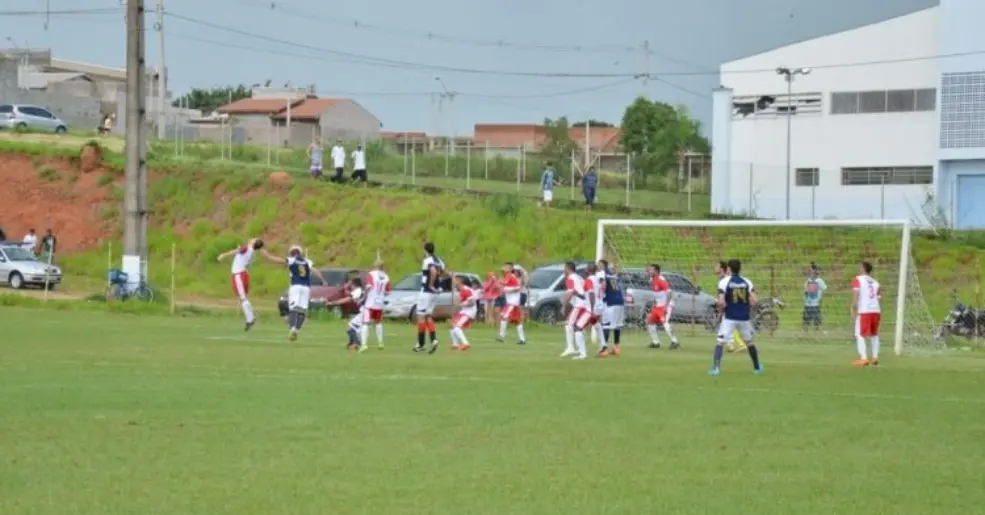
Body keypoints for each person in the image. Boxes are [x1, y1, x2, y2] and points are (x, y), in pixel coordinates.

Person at [258, 245, 327, 341]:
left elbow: (279, 261)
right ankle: (296, 330)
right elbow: (314, 270)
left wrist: (267, 256)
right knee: (302, 310)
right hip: (306, 287)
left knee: (293, 309)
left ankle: (292, 328)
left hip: (296, 286)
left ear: (291, 253)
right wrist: (323, 280)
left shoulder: (292, 260)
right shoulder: (307, 261)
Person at [711, 259, 764, 376]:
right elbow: (755, 301)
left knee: (720, 342)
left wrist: (721, 310)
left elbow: (721, 302)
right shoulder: (747, 282)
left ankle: (715, 368)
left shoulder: (724, 282)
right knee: (749, 342)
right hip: (744, 317)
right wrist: (746, 304)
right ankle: (757, 368)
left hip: (730, 317)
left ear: (729, 269)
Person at [217, 237, 265, 331]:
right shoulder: (253, 253)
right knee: (242, 298)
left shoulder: (247, 248)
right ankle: (250, 316)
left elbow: (235, 251)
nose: (251, 239)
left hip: (239, 274)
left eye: (254, 239)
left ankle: (250, 318)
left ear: (253, 243)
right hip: (243, 274)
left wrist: (223, 255)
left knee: (243, 298)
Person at [416, 241, 448, 354]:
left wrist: (430, 284)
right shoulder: (439, 260)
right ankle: (434, 340)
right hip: (435, 293)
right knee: (428, 316)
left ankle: (420, 344)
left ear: (425, 250)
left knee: (420, 317)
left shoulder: (427, 260)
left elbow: (433, 271)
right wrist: (437, 284)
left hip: (426, 292)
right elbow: (446, 273)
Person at [851, 261, 882, 366]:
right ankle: (875, 357)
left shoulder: (857, 279)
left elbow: (856, 294)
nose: (858, 269)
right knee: (874, 334)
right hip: (876, 310)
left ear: (863, 269)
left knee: (859, 334)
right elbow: (879, 299)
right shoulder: (876, 282)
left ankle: (863, 358)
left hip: (865, 311)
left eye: (860, 267)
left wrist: (853, 307)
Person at [560, 261, 591, 360]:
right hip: (583, 304)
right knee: (572, 326)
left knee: (571, 326)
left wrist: (564, 306)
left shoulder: (571, 278)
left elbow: (569, 293)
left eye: (564, 268)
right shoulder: (579, 277)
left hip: (580, 305)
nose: (563, 270)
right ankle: (574, 348)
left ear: (568, 269)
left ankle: (573, 348)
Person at [328, 278, 368, 352]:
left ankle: (357, 344)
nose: (351, 286)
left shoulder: (358, 291)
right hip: (365, 312)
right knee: (354, 328)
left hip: (365, 312)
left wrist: (332, 303)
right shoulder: (360, 290)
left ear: (354, 285)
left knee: (349, 327)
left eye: (351, 285)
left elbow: (346, 299)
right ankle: (351, 343)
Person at [646, 264, 680, 349]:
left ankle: (674, 341)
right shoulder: (652, 280)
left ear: (656, 271)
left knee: (665, 323)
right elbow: (657, 294)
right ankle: (656, 342)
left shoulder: (661, 280)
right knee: (650, 322)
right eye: (649, 270)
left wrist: (666, 306)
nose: (649, 271)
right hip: (658, 306)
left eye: (651, 270)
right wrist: (655, 303)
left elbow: (669, 293)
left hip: (665, 305)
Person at [716, 260, 746, 353]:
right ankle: (731, 345)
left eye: (717, 266)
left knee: (728, 326)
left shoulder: (725, 280)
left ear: (722, 269)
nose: (715, 268)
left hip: (731, 307)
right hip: (731, 307)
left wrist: (722, 304)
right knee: (726, 327)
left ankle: (739, 344)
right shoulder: (723, 279)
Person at [361, 257, 391, 349]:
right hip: (380, 303)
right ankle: (380, 343)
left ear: (375, 266)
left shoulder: (372, 274)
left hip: (370, 302)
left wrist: (364, 295)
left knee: (365, 323)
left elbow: (369, 287)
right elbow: (387, 292)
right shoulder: (386, 277)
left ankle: (364, 344)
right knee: (378, 323)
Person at [598, 259, 625, 356]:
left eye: (599, 265)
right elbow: (617, 283)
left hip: (610, 302)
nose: (598, 266)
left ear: (603, 266)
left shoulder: (602, 274)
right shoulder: (613, 274)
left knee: (606, 324)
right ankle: (617, 348)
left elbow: (603, 286)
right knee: (617, 325)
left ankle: (604, 350)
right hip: (620, 301)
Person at [496, 262, 527, 345]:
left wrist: (505, 289)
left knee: (504, 316)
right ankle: (522, 339)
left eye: (506, 267)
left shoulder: (511, 276)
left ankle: (501, 336)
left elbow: (517, 288)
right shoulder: (507, 277)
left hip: (512, 302)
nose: (503, 268)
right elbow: (501, 285)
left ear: (510, 268)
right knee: (517, 321)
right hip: (512, 302)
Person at [450, 275, 481, 351]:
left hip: (469, 312)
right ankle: (455, 344)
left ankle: (465, 343)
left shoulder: (466, 290)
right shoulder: (461, 290)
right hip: (465, 311)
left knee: (457, 327)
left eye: (455, 280)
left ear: (460, 281)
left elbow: (472, 302)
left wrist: (461, 304)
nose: (453, 281)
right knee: (454, 327)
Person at [583, 264, 605, 352]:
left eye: (586, 268)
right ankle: (603, 344)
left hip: (593, 306)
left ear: (588, 270)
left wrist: (591, 309)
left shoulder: (589, 280)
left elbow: (591, 294)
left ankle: (582, 349)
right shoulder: (596, 279)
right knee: (596, 324)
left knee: (580, 326)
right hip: (600, 304)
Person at [803, 262, 828, 333]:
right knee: (806, 321)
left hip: (816, 304)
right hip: (807, 304)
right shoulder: (808, 280)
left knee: (817, 321)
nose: (814, 271)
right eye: (813, 269)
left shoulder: (819, 281)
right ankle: (805, 335)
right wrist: (805, 296)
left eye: (816, 269)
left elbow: (824, 290)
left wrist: (820, 300)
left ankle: (816, 334)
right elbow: (805, 290)